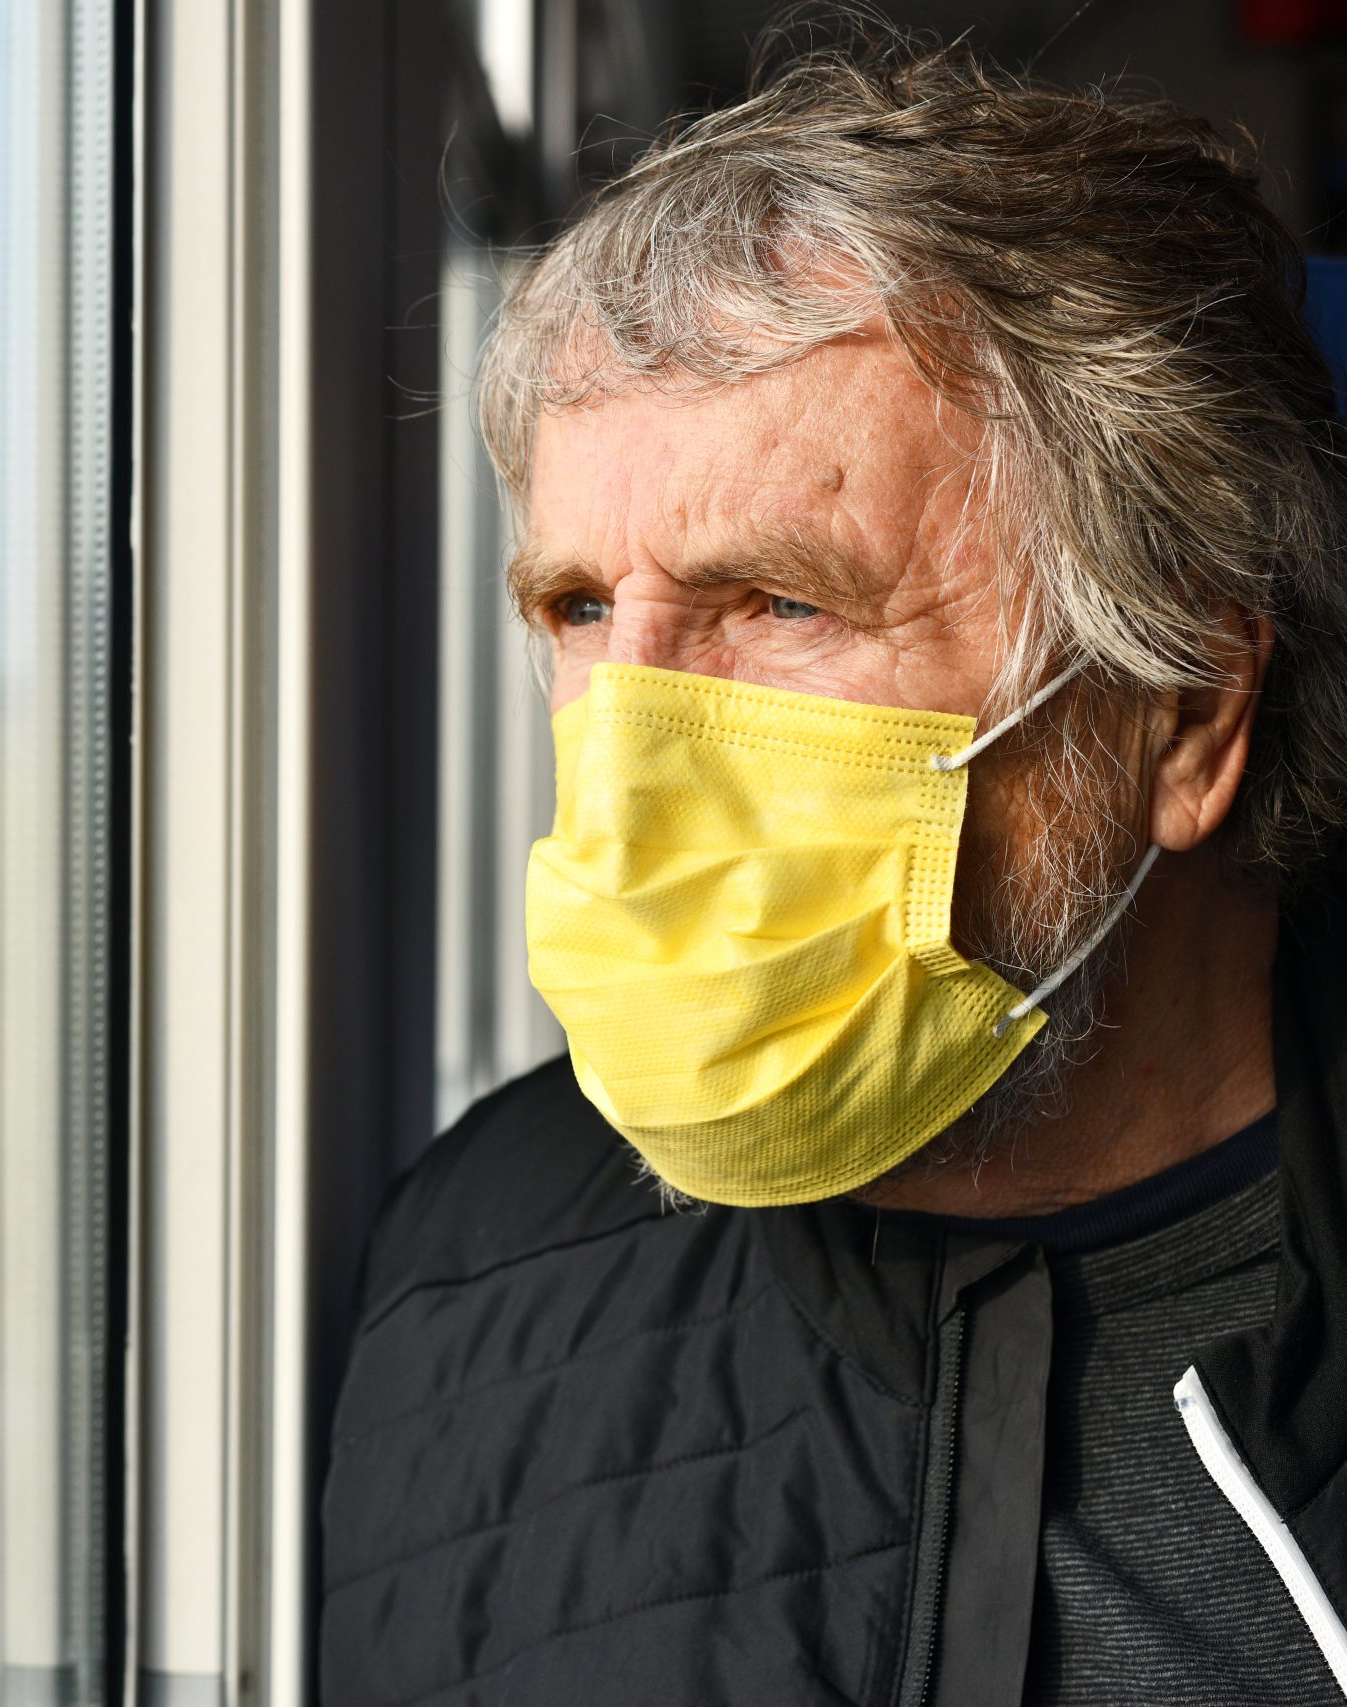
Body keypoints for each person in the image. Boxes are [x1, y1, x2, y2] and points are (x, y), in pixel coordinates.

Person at [323, 22, 1347, 1707]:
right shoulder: (466, 1266)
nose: (636, 733)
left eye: (783, 603)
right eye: (579, 608)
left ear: (1182, 713)